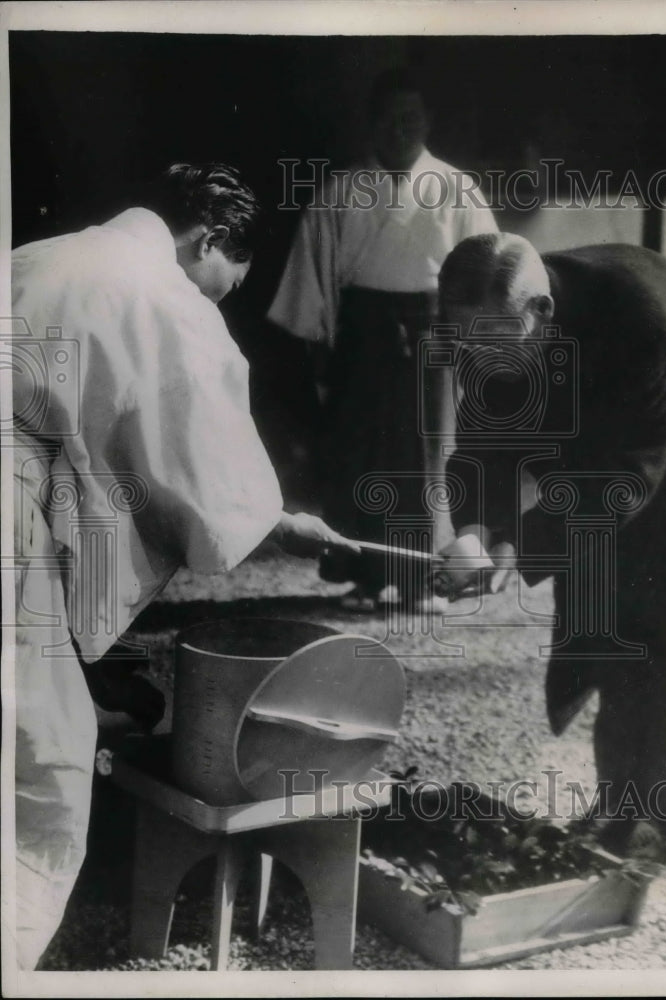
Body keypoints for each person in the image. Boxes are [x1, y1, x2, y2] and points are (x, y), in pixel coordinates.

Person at [9, 162, 358, 969]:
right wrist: (275, 522)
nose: (213, 302)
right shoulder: (161, 295)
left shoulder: (46, 256)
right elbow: (200, 465)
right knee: (41, 772)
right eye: (222, 285)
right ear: (209, 241)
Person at [434, 232, 666, 863]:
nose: (479, 358)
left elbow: (626, 480)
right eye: (465, 341)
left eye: (493, 345)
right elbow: (483, 446)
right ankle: (629, 813)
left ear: (541, 312)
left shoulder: (633, 313)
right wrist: (476, 531)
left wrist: (517, 551)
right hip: (607, 444)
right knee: (608, 623)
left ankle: (656, 817)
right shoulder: (490, 327)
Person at [267, 68, 497, 611]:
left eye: (411, 117)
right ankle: (368, 577)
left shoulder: (456, 188)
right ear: (371, 123)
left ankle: (422, 582)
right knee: (360, 456)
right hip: (363, 337)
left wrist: (469, 339)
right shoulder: (340, 190)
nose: (401, 128)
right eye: (390, 118)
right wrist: (323, 349)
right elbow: (313, 279)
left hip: (433, 336)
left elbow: (488, 267)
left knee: (426, 458)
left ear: (428, 121)